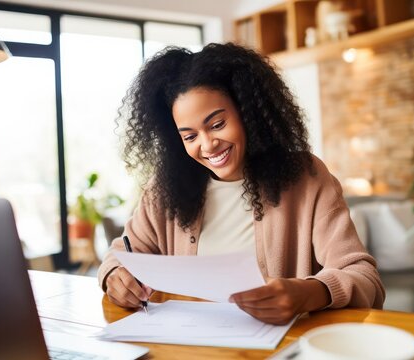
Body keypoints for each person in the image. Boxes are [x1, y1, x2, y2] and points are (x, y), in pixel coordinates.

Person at [98, 42, 385, 325]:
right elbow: (119, 254)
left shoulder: (305, 176)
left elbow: (363, 275)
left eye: (217, 124)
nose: (208, 145)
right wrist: (114, 275)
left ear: (247, 113)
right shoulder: (164, 189)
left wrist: (308, 293)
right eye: (190, 136)